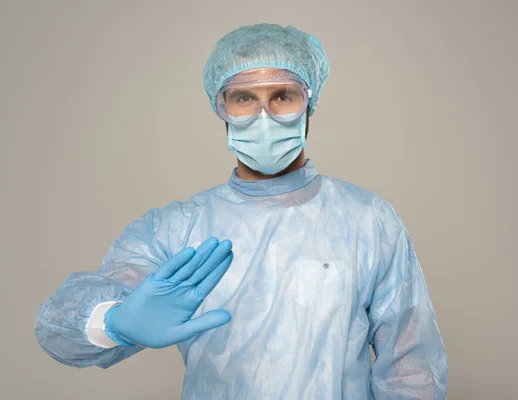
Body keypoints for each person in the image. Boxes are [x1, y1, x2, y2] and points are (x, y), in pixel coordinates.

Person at [35, 23, 448, 399]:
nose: (263, 115)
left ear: (310, 105)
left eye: (283, 96)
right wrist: (114, 322)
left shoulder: (367, 219)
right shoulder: (176, 229)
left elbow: (412, 371)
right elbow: (58, 332)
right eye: (244, 98)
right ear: (222, 109)